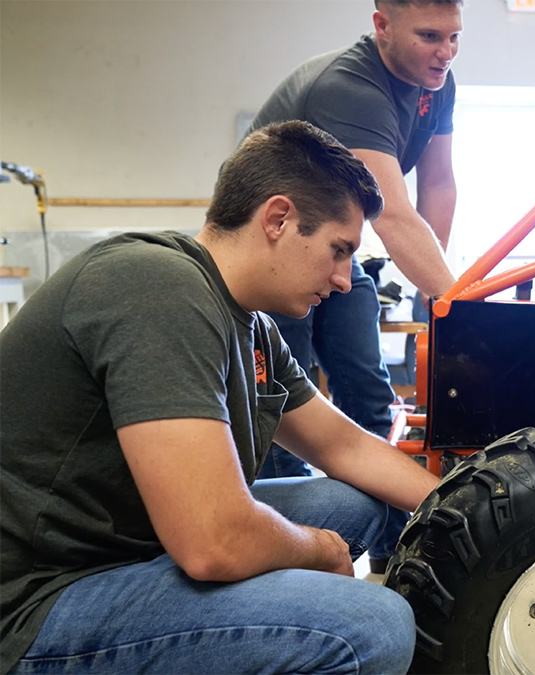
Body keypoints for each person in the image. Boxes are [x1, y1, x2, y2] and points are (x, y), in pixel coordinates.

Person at [0, 121, 441, 674]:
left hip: (131, 547)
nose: (346, 278)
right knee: (373, 624)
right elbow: (215, 543)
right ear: (278, 219)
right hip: (37, 600)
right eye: (338, 249)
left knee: (354, 503)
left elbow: (344, 447)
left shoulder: (251, 325)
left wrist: (464, 504)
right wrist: (321, 552)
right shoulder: (157, 287)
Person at [247, 0, 462, 573]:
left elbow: (437, 187)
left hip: (337, 251)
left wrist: (435, 294)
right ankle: (282, 563)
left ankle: (397, 553)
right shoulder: (351, 88)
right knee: (279, 415)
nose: (445, 52)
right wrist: (464, 309)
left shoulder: (436, 83)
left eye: (453, 36)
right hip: (274, 257)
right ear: (382, 26)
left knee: (370, 396)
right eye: (429, 36)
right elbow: (391, 216)